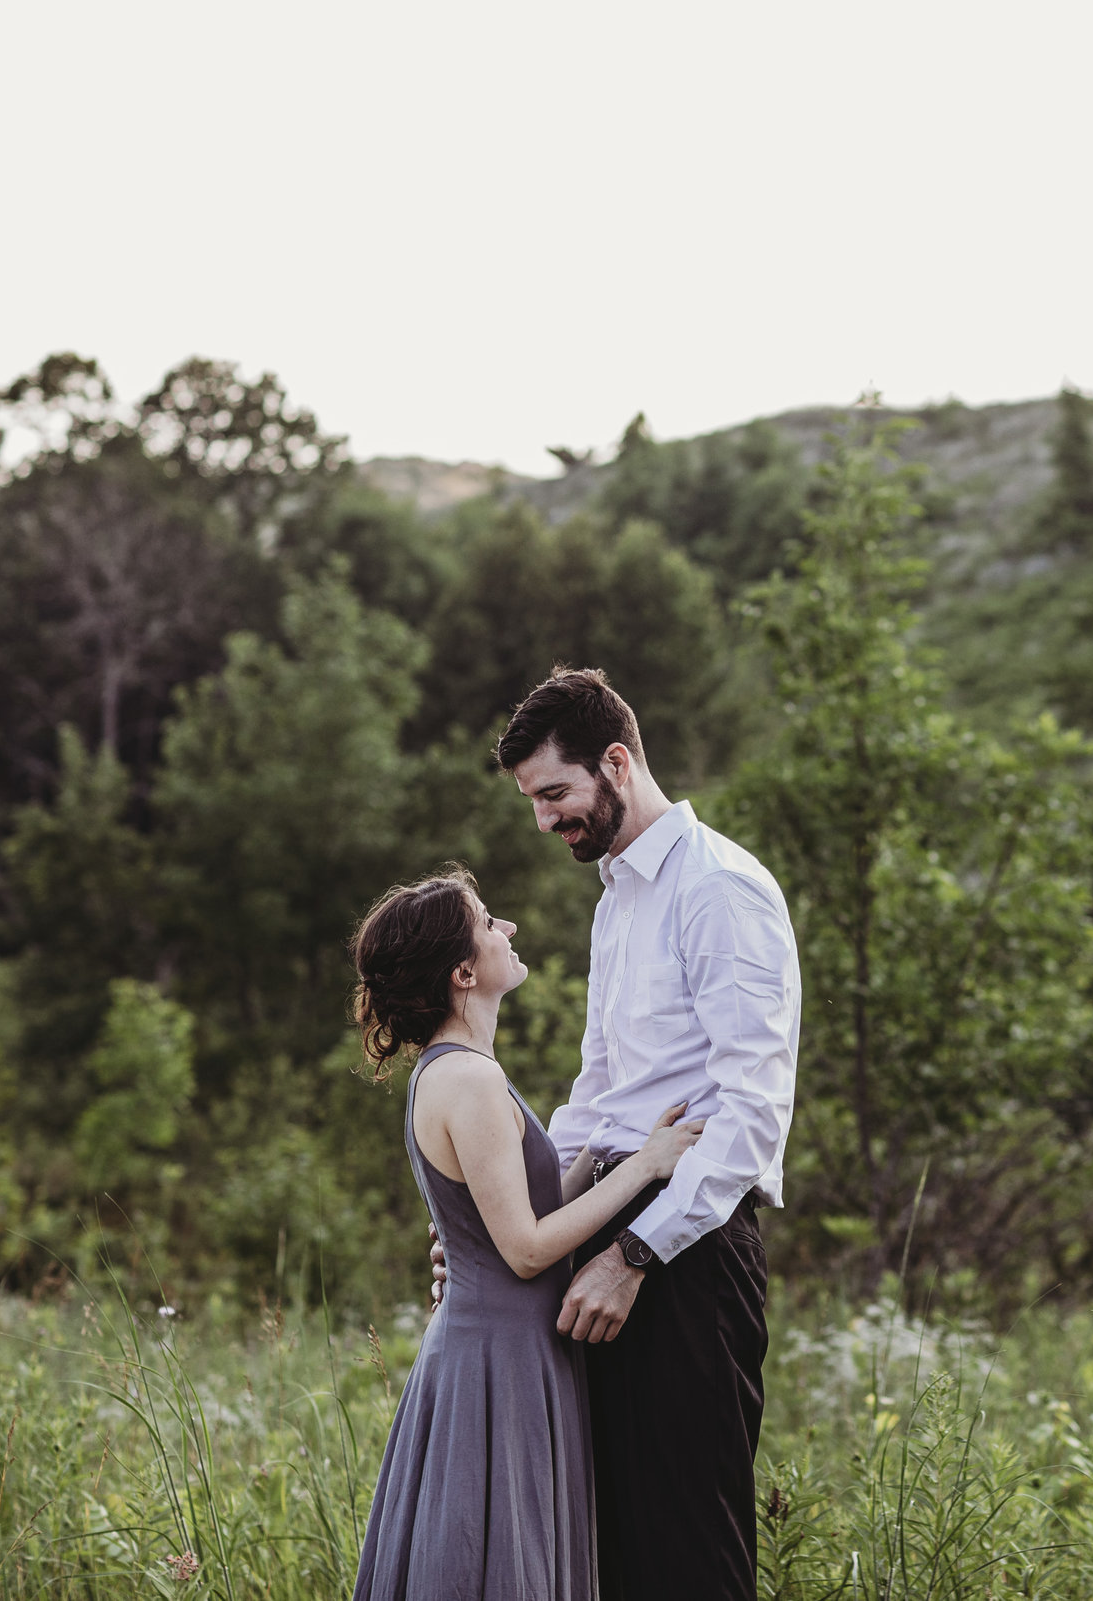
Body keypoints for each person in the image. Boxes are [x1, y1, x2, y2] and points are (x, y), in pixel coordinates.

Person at [434, 667, 801, 1601]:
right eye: (533, 802)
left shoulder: (719, 889)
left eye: (555, 793)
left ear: (617, 762)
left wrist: (635, 1255)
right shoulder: (618, 899)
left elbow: (751, 1110)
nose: (545, 819)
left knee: (689, 1547)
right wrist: (494, 1227)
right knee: (615, 1548)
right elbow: (595, 1101)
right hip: (607, 1224)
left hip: (690, 1247)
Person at [351, 864, 704, 1601]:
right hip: (497, 1361)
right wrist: (644, 1167)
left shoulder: (462, 1071)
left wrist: (614, 1146)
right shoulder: (467, 1080)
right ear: (462, 969)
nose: (506, 928)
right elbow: (526, 1248)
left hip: (507, 1348)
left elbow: (530, 1208)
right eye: (487, 922)